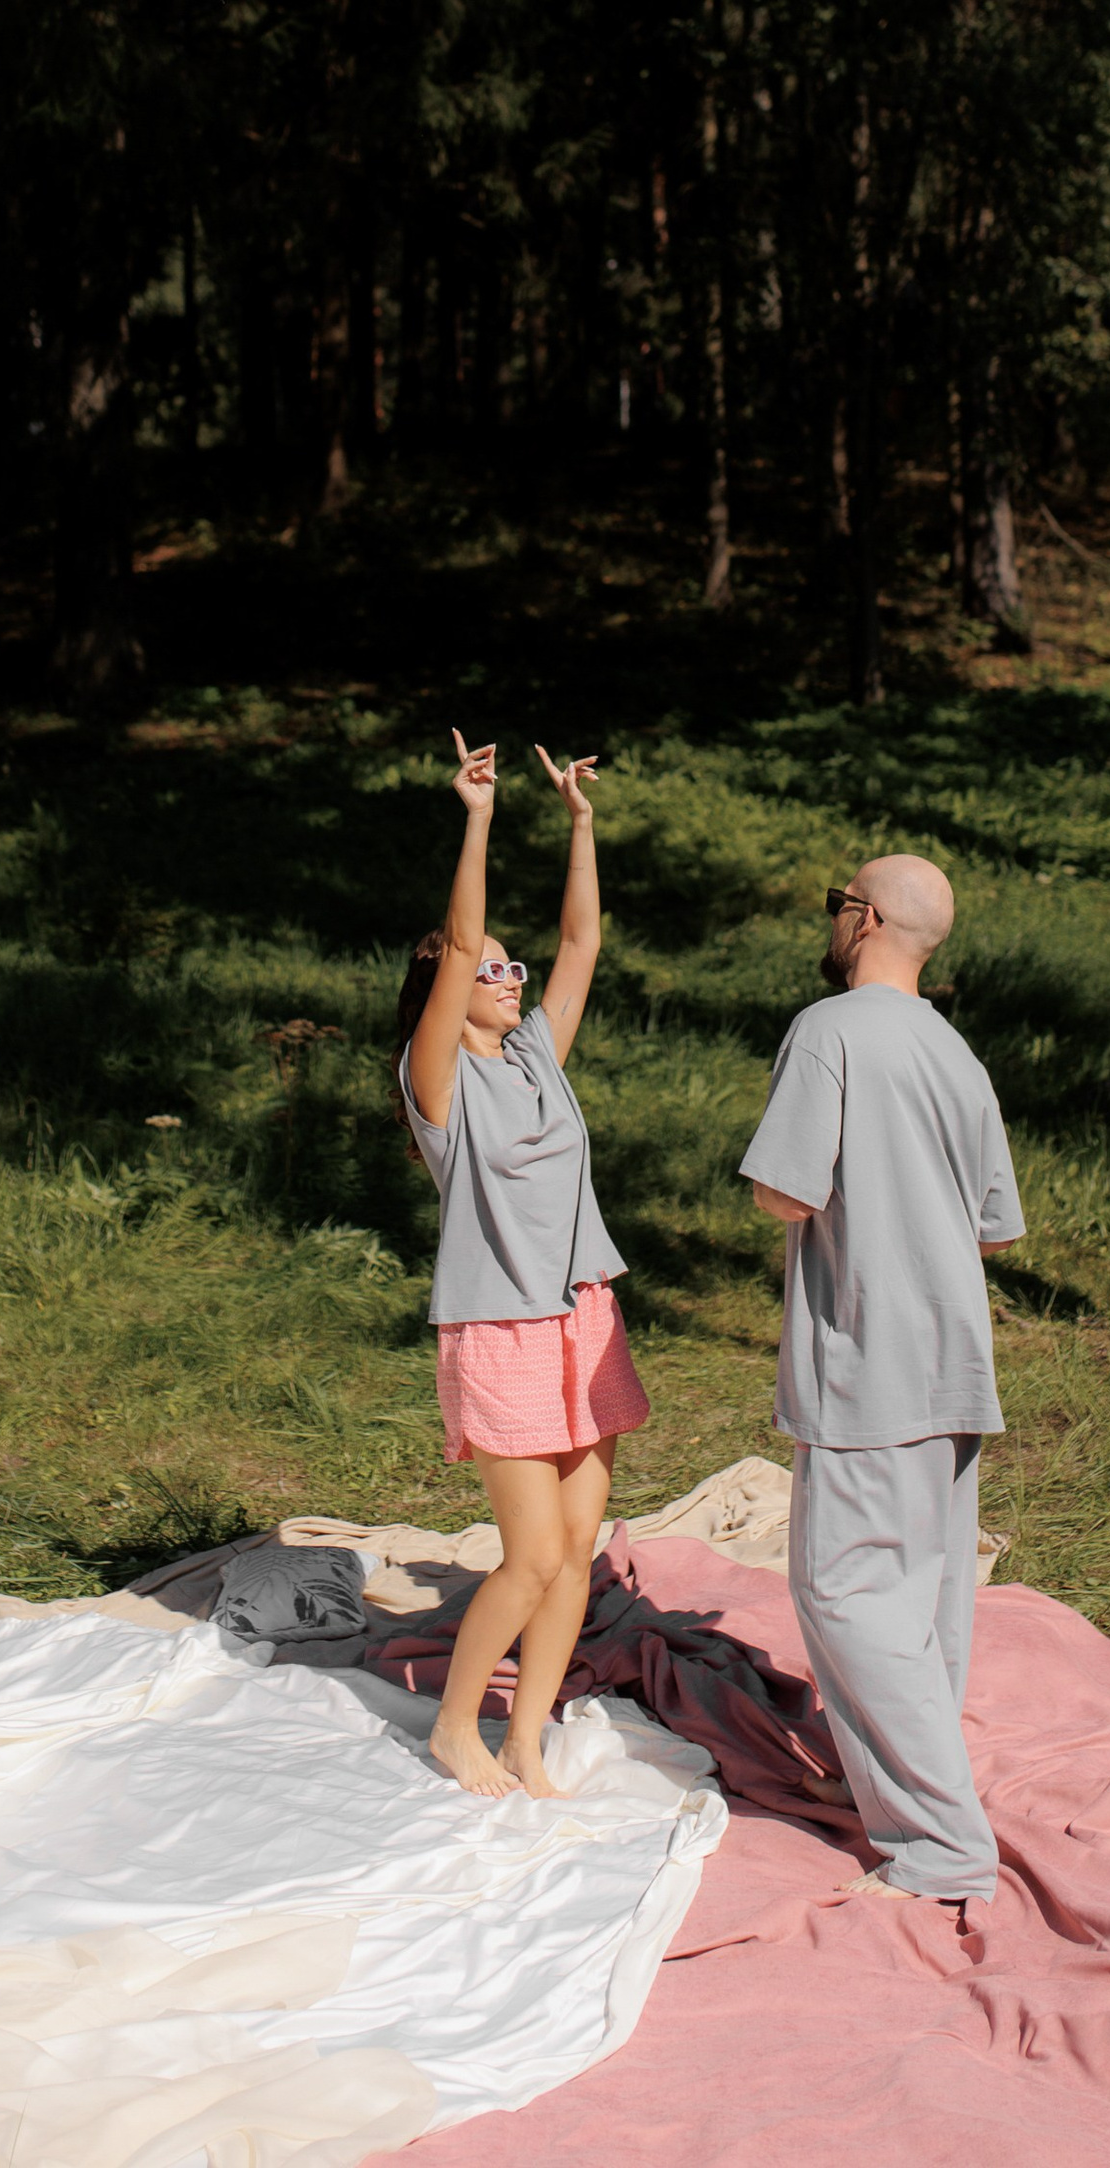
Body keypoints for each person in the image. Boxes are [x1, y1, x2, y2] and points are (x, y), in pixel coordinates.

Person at [739, 853, 1023, 1905]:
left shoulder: (831, 1031)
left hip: (869, 1356)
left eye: (837, 903)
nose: (832, 918)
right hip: (954, 1356)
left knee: (847, 1593)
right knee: (924, 1599)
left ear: (863, 919)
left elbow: (784, 1191)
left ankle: (943, 1848)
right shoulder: (957, 1053)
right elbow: (995, 1227)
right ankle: (904, 1793)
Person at [397, 728, 650, 1801]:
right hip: (500, 1329)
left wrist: (581, 824)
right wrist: (481, 817)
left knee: (578, 1550)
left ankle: (526, 1740)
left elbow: (582, 942)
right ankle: (456, 1726)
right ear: (448, 991)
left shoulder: (538, 1054)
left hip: (583, 1314)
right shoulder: (437, 1083)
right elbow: (461, 944)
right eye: (492, 969)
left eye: (514, 967)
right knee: (534, 1556)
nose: (510, 976)